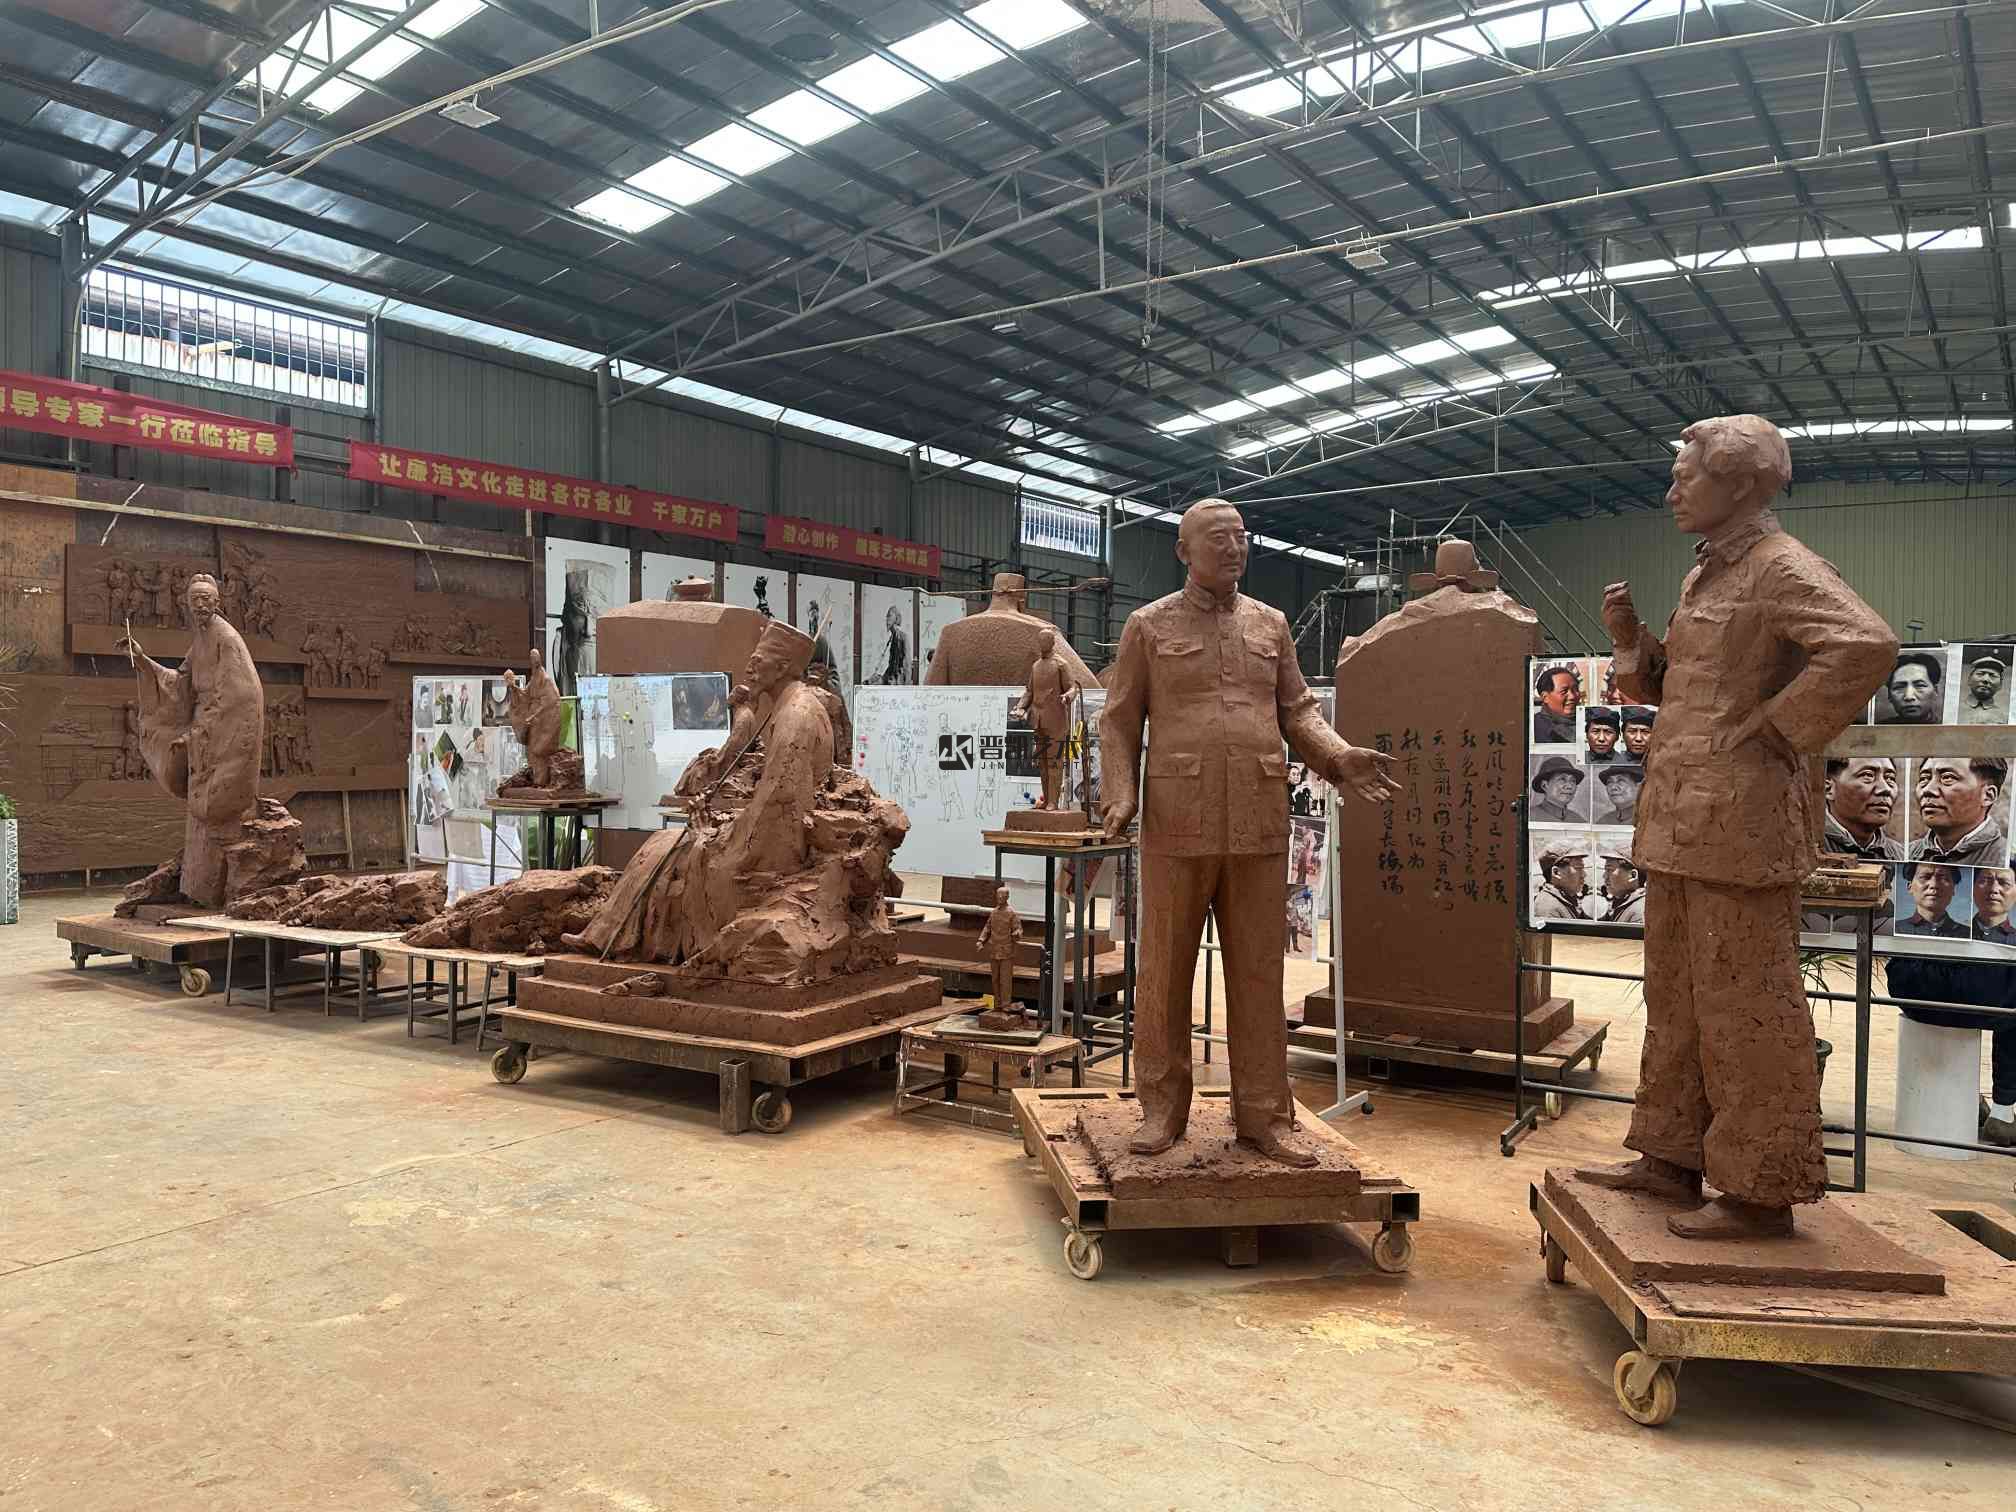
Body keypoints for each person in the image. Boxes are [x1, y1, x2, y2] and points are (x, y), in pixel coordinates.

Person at [1577, 414, 1895, 1241]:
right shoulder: (1706, 576)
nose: (1672, 492)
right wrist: (1630, 642)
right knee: (1676, 998)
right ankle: (1670, 1155)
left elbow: (1865, 644)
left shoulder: (1781, 566)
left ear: (1742, 484)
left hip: (1743, 829)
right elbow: (1678, 689)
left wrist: (1779, 730)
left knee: (1747, 1006)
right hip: (1683, 821)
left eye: (1687, 477)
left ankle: (1760, 1190)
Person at [1100, 498, 1399, 1166]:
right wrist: (1120, 792)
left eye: (1240, 537)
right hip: (1177, 821)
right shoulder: (1149, 626)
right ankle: (1160, 1108)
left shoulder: (1271, 623)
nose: (1234, 548)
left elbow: (1298, 712)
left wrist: (1337, 756)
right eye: (1218, 538)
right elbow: (1118, 720)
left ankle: (1265, 1115)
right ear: (1184, 551)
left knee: (1260, 974)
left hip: (1258, 821)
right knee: (1164, 970)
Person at [116, 573, 273, 907]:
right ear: (187, 604)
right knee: (199, 816)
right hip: (205, 731)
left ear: (217, 601)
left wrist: (198, 733)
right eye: (195, 599)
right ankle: (198, 891)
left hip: (223, 732)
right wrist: (142, 660)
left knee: (217, 811)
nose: (200, 604)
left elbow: (239, 695)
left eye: (206, 598)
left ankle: (217, 889)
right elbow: (180, 682)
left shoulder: (226, 638)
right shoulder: (201, 639)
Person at [1013, 629, 1074, 810]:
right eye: (1040, 641)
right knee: (1042, 762)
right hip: (1038, 720)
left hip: (1056, 721)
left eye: (1045, 641)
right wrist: (1020, 707)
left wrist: (1067, 697)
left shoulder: (1061, 664)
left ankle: (1053, 801)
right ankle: (1047, 799)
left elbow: (1072, 687)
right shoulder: (1036, 666)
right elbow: (1029, 691)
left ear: (1052, 642)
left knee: (1054, 761)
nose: (1042, 644)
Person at [1909, 756, 2007, 864]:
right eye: (1924, 779)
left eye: (1947, 778)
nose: (1927, 790)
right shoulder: (1906, 853)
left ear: (1988, 795)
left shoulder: (2006, 860)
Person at [1823, 757, 1904, 860]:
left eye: (1890, 778)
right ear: (1829, 788)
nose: (1885, 789)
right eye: (1868, 775)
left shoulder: (1899, 855)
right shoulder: (1808, 849)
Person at [1897, 862, 1969, 938]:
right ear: (1910, 887)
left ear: (1953, 889)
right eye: (1924, 877)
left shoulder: (1968, 934)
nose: (1934, 885)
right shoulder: (1895, 929)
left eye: (1943, 878)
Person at [1879, 649, 1943, 724]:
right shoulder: (1876, 729)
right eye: (1899, 687)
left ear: (1935, 691)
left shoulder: (1949, 727)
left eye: (1919, 685)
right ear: (1889, 695)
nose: (1909, 697)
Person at [1531, 842, 1589, 921]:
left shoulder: (1566, 899)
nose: (1584, 875)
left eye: (1583, 868)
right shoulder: (1548, 910)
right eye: (1578, 868)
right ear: (1556, 872)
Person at [1532, 663, 1581, 744]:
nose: (1572, 696)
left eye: (1575, 689)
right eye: (1564, 691)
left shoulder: (1587, 722)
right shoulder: (1535, 728)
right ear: (1545, 697)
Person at [1529, 755, 1586, 822]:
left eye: (1573, 781)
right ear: (1545, 785)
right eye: (1562, 779)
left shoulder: (1579, 820)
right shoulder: (1530, 817)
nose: (1569, 786)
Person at [1599, 845, 1647, 925]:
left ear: (1633, 875)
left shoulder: (1639, 912)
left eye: (1609, 870)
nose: (1604, 876)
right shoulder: (1624, 905)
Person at [1961, 649, 2010, 723]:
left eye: (1993, 676)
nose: (1986, 679)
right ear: (1969, 680)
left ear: (2000, 685)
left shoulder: (2005, 718)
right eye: (1980, 674)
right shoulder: (1953, 710)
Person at [1972, 866, 2016, 945]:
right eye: (1984, 881)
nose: (1993, 889)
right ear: (1973, 888)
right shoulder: (1954, 933)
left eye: (2005, 883)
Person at [877, 603, 910, 684]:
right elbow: (891, 665)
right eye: (887, 616)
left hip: (899, 681)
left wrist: (906, 684)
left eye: (889, 616)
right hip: (892, 679)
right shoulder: (893, 638)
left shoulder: (902, 637)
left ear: (896, 619)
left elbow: (907, 664)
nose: (887, 619)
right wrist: (882, 679)